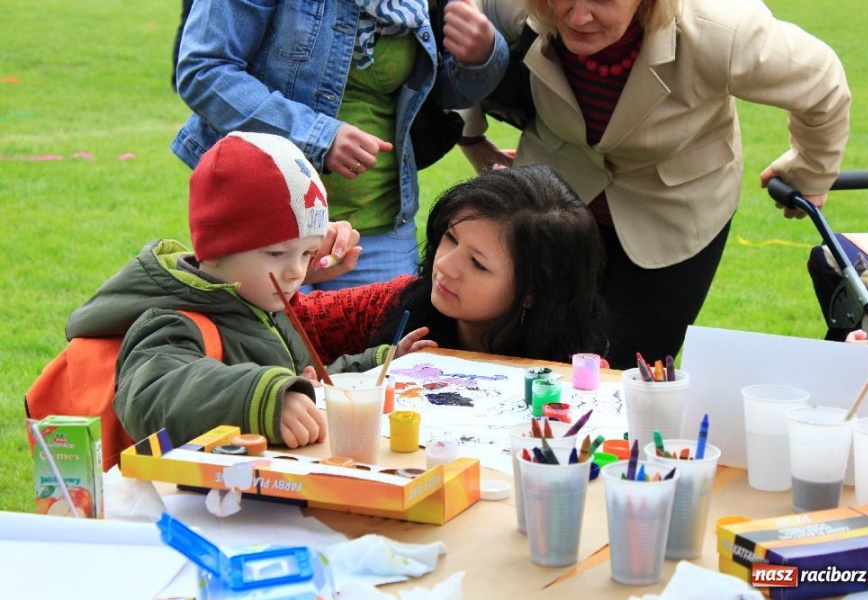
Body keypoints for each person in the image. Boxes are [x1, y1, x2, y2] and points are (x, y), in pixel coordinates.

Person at [457, 0, 851, 369]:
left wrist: (810, 171)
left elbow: (823, 83)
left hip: (674, 211)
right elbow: (456, 28)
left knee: (623, 369)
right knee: (522, 350)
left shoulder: (722, 29)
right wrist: (474, 141)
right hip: (555, 195)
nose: (578, 17)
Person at [65, 132, 392, 449]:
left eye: (307, 253)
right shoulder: (172, 320)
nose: (296, 271)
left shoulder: (264, 307)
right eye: (277, 253)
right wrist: (265, 400)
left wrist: (377, 365)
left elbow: (301, 386)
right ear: (216, 250)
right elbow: (152, 396)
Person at [170, 0, 509, 290]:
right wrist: (319, 136)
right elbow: (204, 69)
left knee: (380, 362)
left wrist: (483, 56)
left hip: (379, 220)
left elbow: (443, 93)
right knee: (272, 363)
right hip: (264, 221)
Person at [293, 164, 610, 365]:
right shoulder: (393, 304)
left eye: (477, 263)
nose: (445, 264)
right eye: (451, 237)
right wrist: (296, 268)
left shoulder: (573, 375)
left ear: (532, 291)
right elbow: (273, 330)